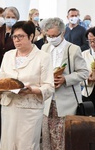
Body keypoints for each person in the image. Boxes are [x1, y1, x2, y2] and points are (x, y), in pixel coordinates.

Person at [0, 20, 54, 150]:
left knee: (27, 145)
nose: (17, 40)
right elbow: (0, 81)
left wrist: (32, 90)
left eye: (21, 36)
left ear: (31, 37)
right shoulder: (8, 55)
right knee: (7, 144)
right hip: (9, 106)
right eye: (14, 36)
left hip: (30, 108)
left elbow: (49, 87)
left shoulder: (43, 57)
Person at [41, 17, 89, 150]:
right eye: (48, 36)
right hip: (47, 102)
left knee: (63, 139)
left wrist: (65, 79)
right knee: (47, 139)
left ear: (62, 33)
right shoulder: (45, 48)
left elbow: (83, 72)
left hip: (66, 102)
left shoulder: (73, 49)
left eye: (54, 36)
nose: (51, 38)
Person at [82, 27, 95, 107]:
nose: (92, 44)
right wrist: (88, 79)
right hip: (88, 94)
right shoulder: (83, 55)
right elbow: (78, 77)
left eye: (94, 40)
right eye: (90, 41)